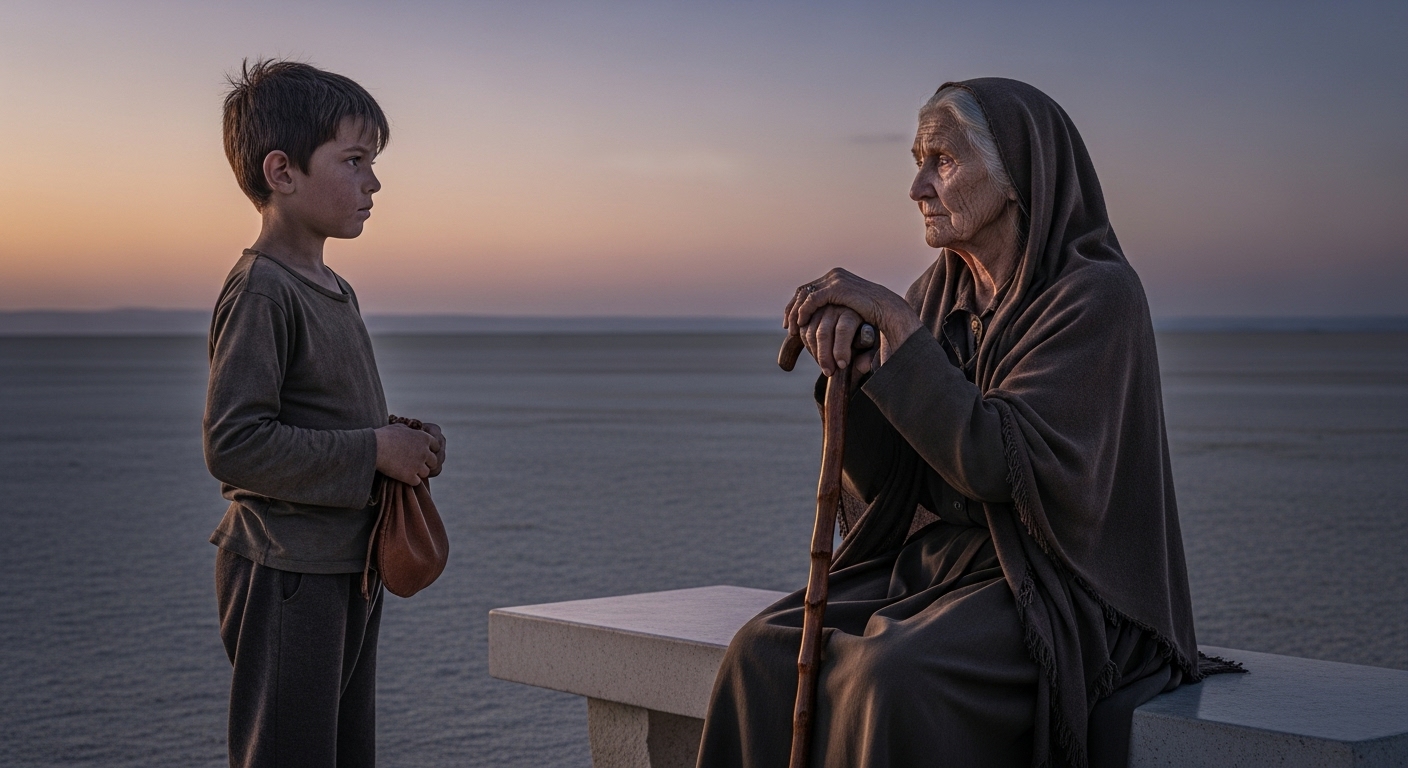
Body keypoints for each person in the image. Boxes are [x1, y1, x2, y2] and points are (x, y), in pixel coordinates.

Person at [696, 78, 1237, 768]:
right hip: (937, 570)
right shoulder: (938, 291)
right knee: (761, 650)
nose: (917, 186)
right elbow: (894, 483)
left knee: (893, 675)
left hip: (1053, 585)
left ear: (1016, 174)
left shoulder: (1095, 296)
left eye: (942, 161)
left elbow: (994, 464)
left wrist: (893, 325)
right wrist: (855, 376)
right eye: (917, 161)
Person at [204, 60, 447, 768]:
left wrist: (402, 440)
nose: (373, 183)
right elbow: (234, 444)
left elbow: (328, 414)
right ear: (282, 171)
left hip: (347, 566)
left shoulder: (332, 286)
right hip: (286, 575)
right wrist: (372, 450)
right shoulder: (262, 291)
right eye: (354, 160)